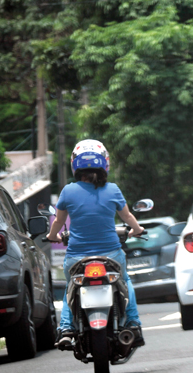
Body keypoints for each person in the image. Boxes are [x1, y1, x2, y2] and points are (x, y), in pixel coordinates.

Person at [47, 139, 146, 350]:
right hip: (111, 254)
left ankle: (65, 329)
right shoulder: (113, 190)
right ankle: (133, 324)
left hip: (76, 257)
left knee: (70, 287)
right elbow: (127, 217)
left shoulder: (68, 191)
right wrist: (137, 230)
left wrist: (52, 235)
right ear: (105, 164)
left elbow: (58, 221)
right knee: (125, 281)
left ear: (75, 165)